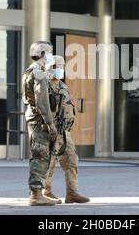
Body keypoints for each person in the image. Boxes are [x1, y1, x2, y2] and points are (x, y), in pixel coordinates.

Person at [43, 55, 90, 204]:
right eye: (56, 67)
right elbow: (42, 108)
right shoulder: (44, 86)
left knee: (71, 160)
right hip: (50, 129)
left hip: (64, 131)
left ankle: (72, 192)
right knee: (49, 163)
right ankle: (46, 192)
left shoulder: (63, 86)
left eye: (62, 67)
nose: (60, 70)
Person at [22, 41, 59, 206]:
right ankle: (36, 194)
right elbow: (42, 101)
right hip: (40, 119)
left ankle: (40, 192)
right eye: (49, 53)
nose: (51, 56)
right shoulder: (39, 73)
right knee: (40, 155)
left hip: (35, 117)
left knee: (42, 154)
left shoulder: (31, 71)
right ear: (43, 53)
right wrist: (50, 124)